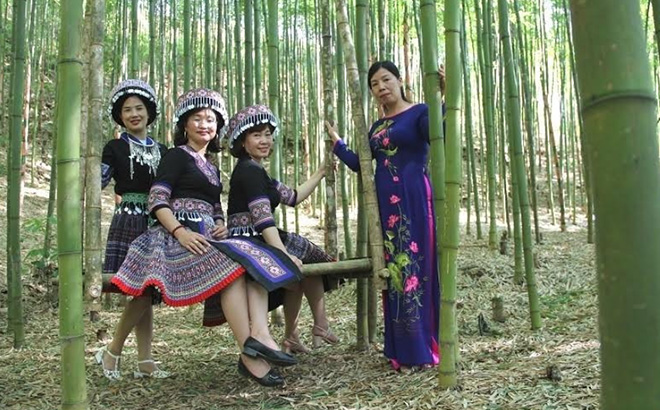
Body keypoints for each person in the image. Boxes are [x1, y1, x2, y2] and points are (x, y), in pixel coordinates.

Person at [107, 88, 301, 386]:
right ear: (184, 124)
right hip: (176, 238)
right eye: (197, 118)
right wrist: (180, 231)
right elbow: (157, 199)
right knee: (232, 267)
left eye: (210, 120)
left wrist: (221, 222)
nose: (204, 124)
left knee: (248, 259)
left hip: (208, 237)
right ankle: (251, 353)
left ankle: (257, 341)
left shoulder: (211, 166)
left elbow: (214, 205)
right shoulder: (175, 156)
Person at [325, 61, 440, 371]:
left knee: (417, 267)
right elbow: (361, 164)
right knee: (395, 274)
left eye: (386, 79)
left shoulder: (420, 111)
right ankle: (400, 350)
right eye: (374, 84)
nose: (381, 87)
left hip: (414, 197)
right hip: (387, 209)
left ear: (400, 80)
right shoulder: (377, 127)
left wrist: (442, 96)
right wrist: (337, 144)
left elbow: (434, 133)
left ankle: (422, 349)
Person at [202, 104, 339, 353]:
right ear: (242, 142)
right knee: (305, 265)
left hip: (261, 236)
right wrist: (283, 254)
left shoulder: (257, 170)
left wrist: (321, 172)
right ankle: (311, 327)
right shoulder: (249, 171)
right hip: (251, 240)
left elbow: (294, 197)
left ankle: (296, 334)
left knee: (308, 266)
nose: (264, 140)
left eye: (267, 134)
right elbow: (263, 218)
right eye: (257, 135)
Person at [96, 79, 170, 380]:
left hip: (158, 220)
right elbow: (96, 181)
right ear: (119, 115)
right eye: (127, 110)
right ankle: (112, 351)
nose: (133, 114)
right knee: (139, 290)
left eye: (139, 108)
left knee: (147, 290)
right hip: (128, 219)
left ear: (150, 112)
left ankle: (144, 359)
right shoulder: (114, 147)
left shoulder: (164, 150)